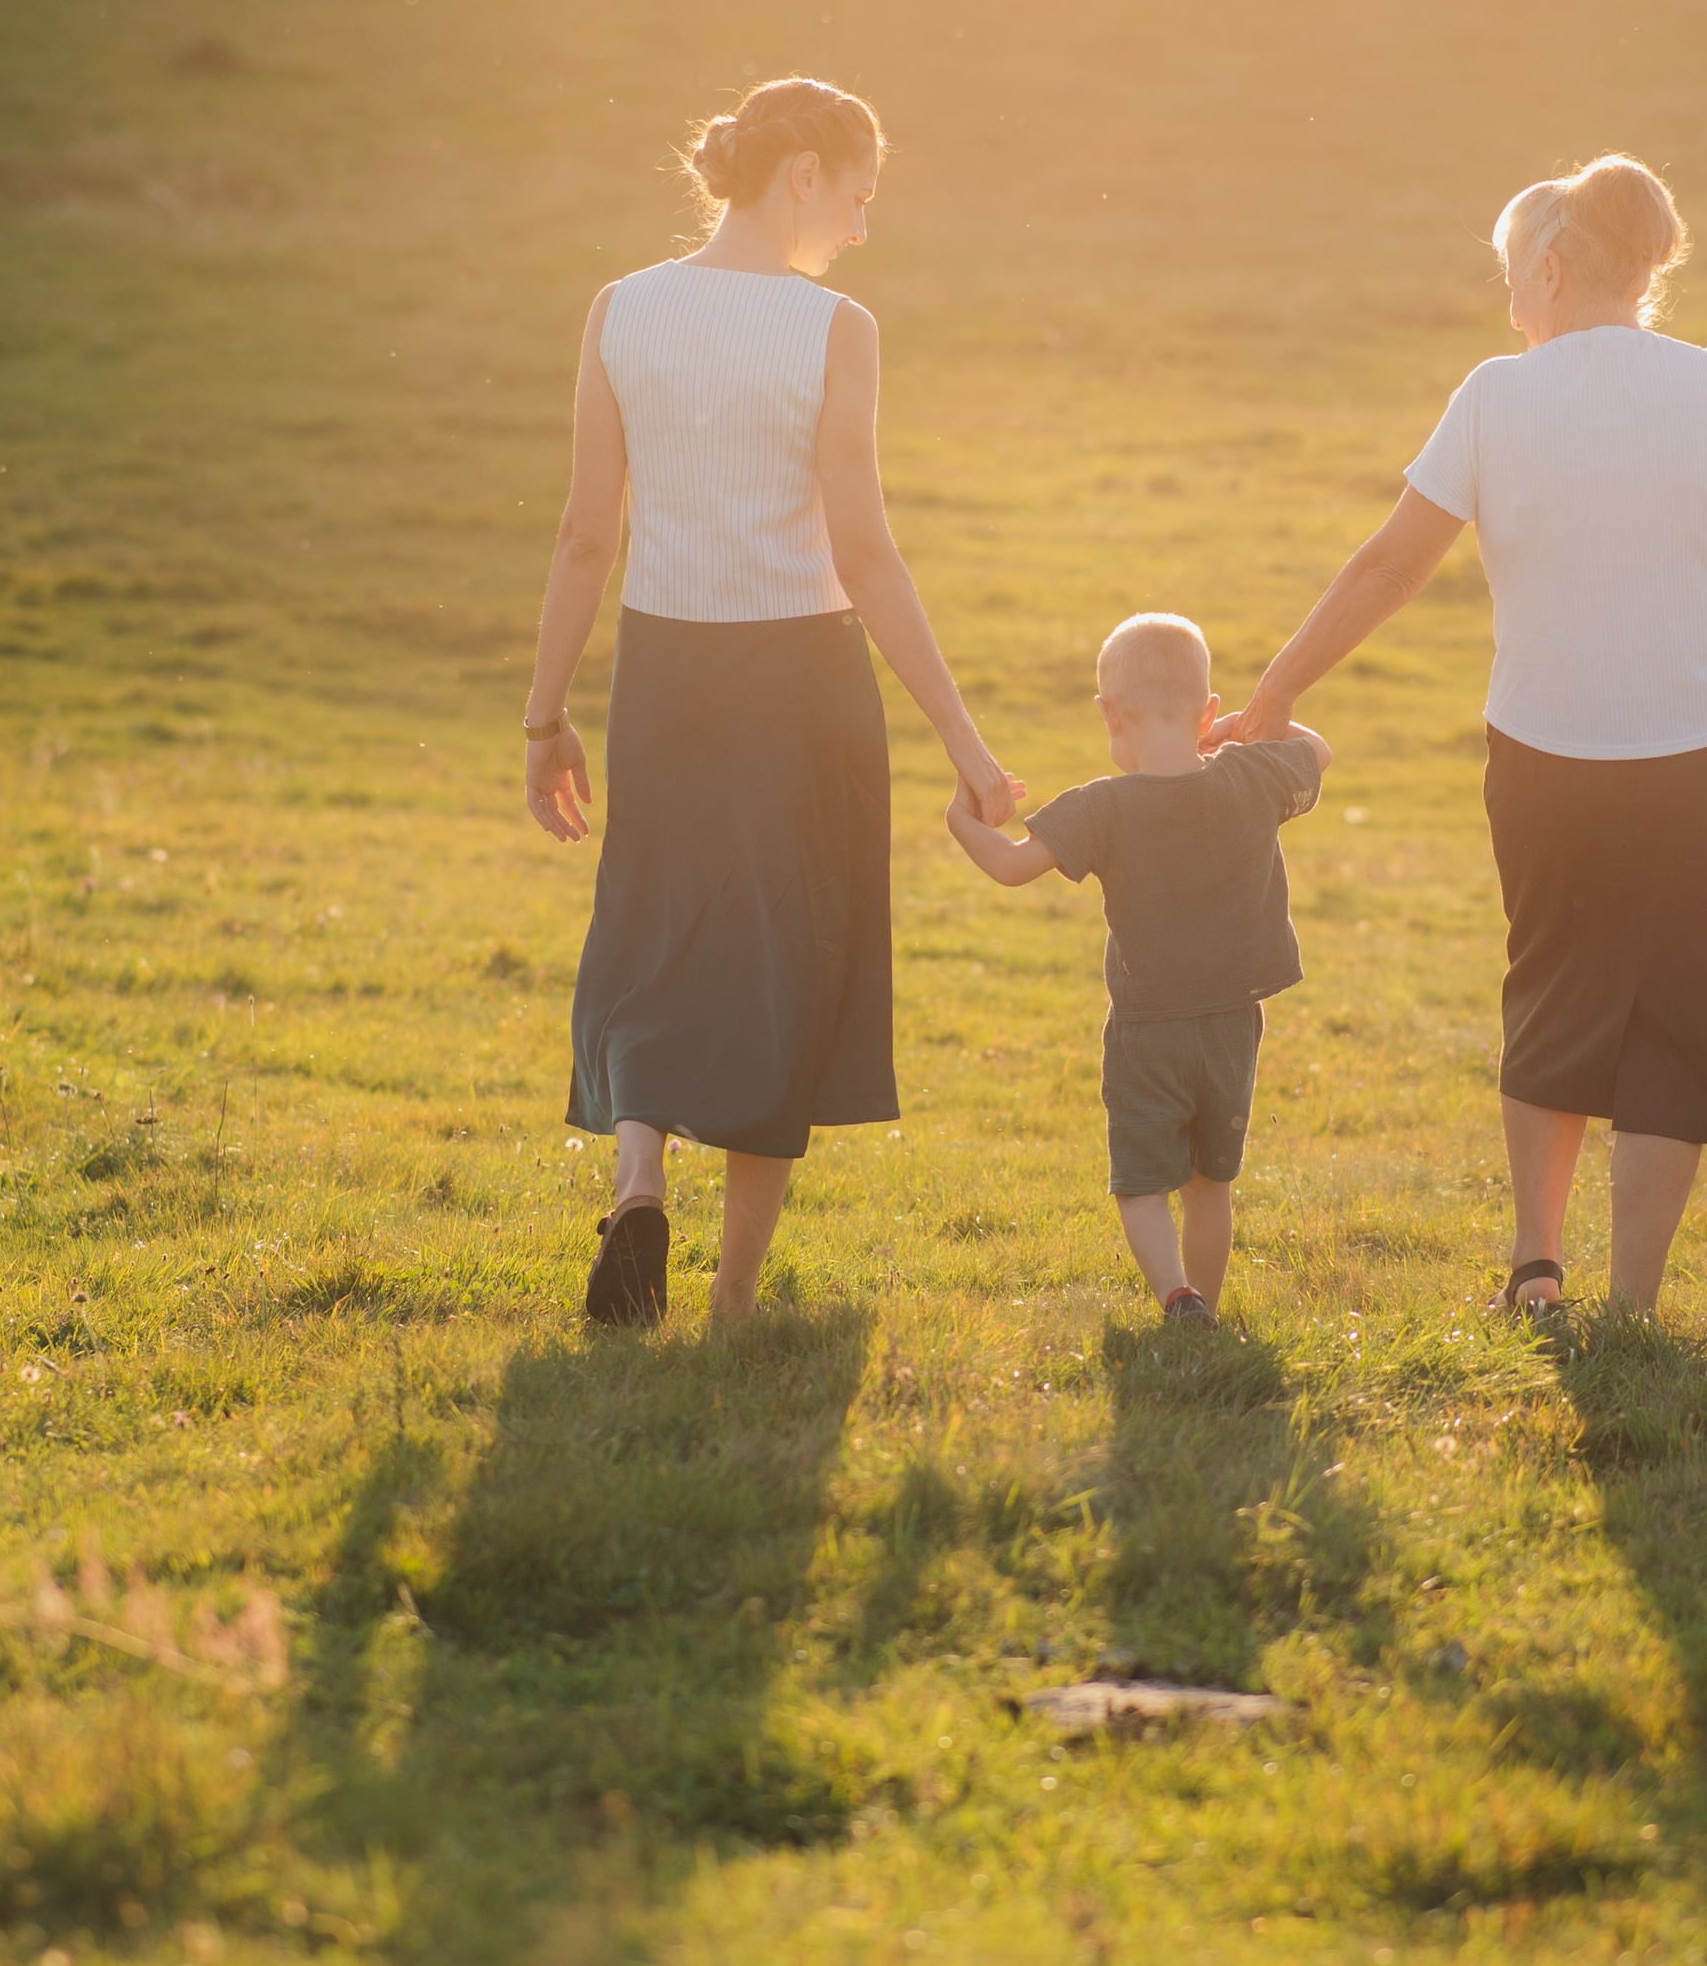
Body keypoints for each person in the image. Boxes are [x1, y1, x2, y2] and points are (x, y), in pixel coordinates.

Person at [1214, 153, 1707, 1322]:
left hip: (1547, 754)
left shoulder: (1495, 394)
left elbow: (1389, 567)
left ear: (1556, 271)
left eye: (1516, 278)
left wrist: (1273, 692)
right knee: (1682, 1014)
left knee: (1554, 991)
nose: (1513, 303)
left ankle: (1534, 1268)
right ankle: (1631, 1307)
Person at [521, 76, 1017, 1329]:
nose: (859, 227)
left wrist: (544, 718)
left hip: (663, 672)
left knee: (653, 932)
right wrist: (964, 739)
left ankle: (639, 1175)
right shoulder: (833, 327)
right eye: (855, 197)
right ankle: (733, 1296)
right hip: (799, 683)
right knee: (782, 968)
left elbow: (588, 533)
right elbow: (864, 551)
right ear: (802, 176)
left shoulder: (621, 308)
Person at [943, 612, 1328, 1324]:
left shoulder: (1102, 805)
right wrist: (1241, 727)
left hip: (1147, 1032)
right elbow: (1319, 751)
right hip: (1233, 1024)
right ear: (1206, 709)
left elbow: (1008, 866)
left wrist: (960, 820)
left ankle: (1177, 1297)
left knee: (1143, 1183)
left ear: (1108, 713)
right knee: (1211, 1183)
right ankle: (1203, 1305)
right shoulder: (1252, 773)